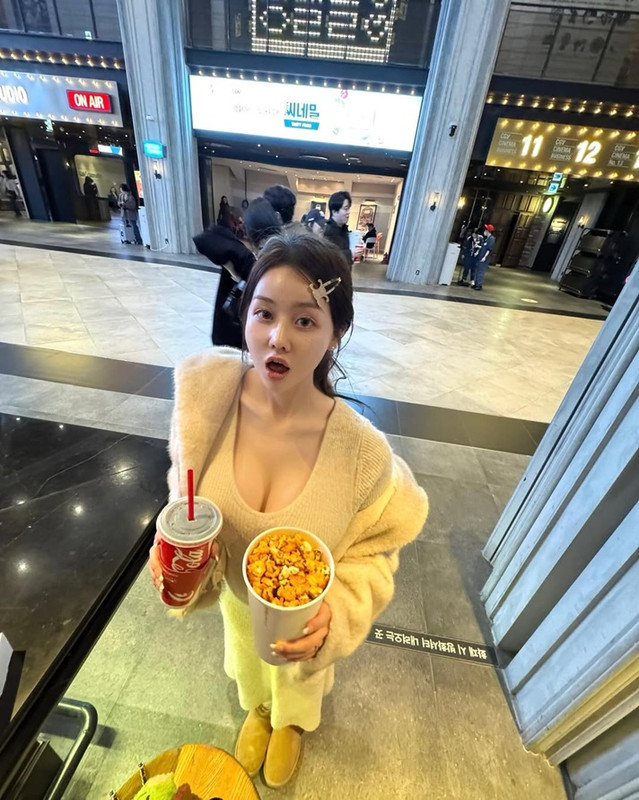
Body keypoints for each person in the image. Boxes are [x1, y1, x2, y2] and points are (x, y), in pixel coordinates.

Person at [149, 231, 428, 788]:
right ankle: (258, 709)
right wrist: (178, 554)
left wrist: (337, 613)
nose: (278, 338)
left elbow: (377, 552)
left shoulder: (362, 454)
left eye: (304, 320)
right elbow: (185, 498)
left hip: (303, 618)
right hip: (237, 602)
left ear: (335, 333)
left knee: (298, 681)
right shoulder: (204, 405)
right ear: (244, 314)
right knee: (248, 664)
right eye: (264, 313)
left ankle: (292, 724)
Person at [193, 196, 282, 348]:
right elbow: (205, 239)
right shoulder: (247, 255)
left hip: (240, 337)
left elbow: (204, 238)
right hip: (246, 336)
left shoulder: (259, 260)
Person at [323, 190, 352, 267]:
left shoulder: (343, 229)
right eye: (345, 209)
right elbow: (331, 258)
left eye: (349, 209)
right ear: (334, 211)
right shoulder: (328, 232)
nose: (348, 212)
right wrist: (351, 254)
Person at [472, 223, 496, 291]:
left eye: (485, 230)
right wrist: (478, 249)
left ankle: (479, 285)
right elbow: (483, 246)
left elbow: (489, 249)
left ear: (488, 231)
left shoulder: (491, 239)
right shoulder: (486, 238)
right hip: (480, 256)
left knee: (481, 271)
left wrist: (484, 257)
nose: (484, 231)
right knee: (477, 270)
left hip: (484, 258)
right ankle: (476, 283)